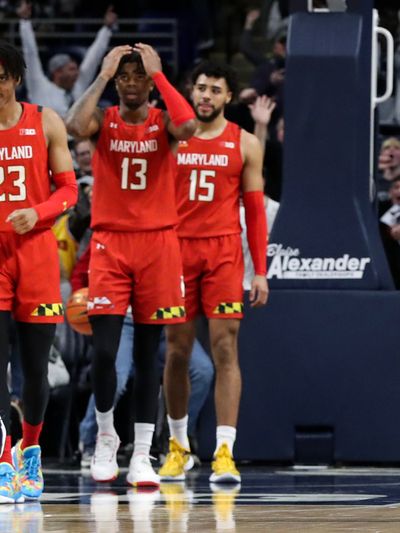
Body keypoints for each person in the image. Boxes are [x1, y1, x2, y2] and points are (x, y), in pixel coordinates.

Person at [65, 44, 197, 487]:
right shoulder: (104, 120)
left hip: (158, 244)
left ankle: (142, 453)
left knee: (147, 357)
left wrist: (162, 76)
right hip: (111, 243)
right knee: (104, 353)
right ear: (117, 82)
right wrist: (100, 76)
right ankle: (106, 437)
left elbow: (189, 125)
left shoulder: (163, 121)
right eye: (125, 76)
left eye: (139, 75)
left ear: (151, 79)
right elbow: (72, 125)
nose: (133, 82)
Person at [159, 62, 268, 484]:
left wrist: (260, 271)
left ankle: (225, 451)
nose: (206, 95)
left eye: (215, 90)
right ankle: (178, 446)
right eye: (200, 88)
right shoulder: (170, 136)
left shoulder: (244, 144)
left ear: (227, 97)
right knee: (176, 352)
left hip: (223, 252)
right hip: (175, 250)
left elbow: (255, 213)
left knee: (225, 349)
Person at [0, 41, 78, 502]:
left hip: (36, 254)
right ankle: (3, 459)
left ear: (15, 79)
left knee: (35, 371)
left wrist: (40, 211)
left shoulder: (44, 120)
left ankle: (31, 450)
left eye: (1, 76)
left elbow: (70, 190)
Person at [17, 1, 117, 117]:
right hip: (46, 134)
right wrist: (25, 22)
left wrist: (106, 29)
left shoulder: (79, 85)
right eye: (71, 69)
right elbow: (30, 54)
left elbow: (93, 58)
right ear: (58, 72)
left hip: (77, 134)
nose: (77, 72)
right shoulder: (39, 86)